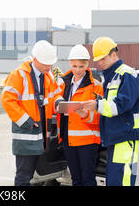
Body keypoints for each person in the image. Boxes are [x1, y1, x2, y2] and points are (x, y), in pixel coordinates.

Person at [83, 37, 139, 186]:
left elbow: (120, 105)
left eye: (102, 58)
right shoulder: (111, 78)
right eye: (98, 60)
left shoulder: (127, 74)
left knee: (122, 180)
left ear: (114, 54)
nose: (100, 63)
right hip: (116, 137)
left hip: (125, 136)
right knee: (114, 181)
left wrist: (97, 105)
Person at [1, 40, 58, 186]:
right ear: (35, 60)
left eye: (51, 64)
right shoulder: (18, 75)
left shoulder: (49, 76)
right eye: (46, 64)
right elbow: (7, 100)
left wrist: (59, 103)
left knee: (37, 177)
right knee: (23, 176)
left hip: (41, 137)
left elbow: (55, 95)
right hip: (26, 135)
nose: (49, 67)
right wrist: (26, 121)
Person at [54, 44, 103, 186]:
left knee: (87, 179)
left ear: (87, 65)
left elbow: (101, 116)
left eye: (81, 66)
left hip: (87, 141)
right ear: (70, 63)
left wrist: (85, 115)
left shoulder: (96, 87)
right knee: (75, 180)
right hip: (68, 139)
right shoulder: (63, 83)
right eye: (74, 66)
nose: (77, 70)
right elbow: (54, 97)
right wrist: (58, 102)